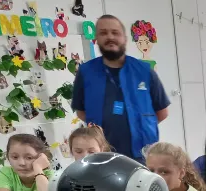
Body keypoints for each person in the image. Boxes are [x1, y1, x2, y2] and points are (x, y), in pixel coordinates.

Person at [72, 14, 170, 162]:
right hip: (99, 155)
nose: (110, 37)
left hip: (142, 154)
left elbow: (162, 112)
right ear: (97, 39)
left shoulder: (144, 71)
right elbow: (81, 111)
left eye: (115, 32)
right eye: (103, 33)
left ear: (124, 38)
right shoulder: (86, 72)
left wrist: (140, 127)